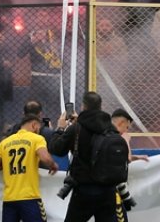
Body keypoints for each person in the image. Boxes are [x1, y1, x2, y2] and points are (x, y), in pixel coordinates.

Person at [47, 91, 122, 222]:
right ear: (100, 106)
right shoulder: (111, 128)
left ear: (83, 107)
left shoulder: (76, 128)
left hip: (84, 189)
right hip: (108, 190)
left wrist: (60, 128)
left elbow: (57, 149)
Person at [0, 115, 59, 222]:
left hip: (9, 199)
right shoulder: (37, 139)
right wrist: (53, 165)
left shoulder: (4, 143)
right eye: (38, 128)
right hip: (29, 198)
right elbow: (45, 158)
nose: (38, 131)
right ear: (34, 125)